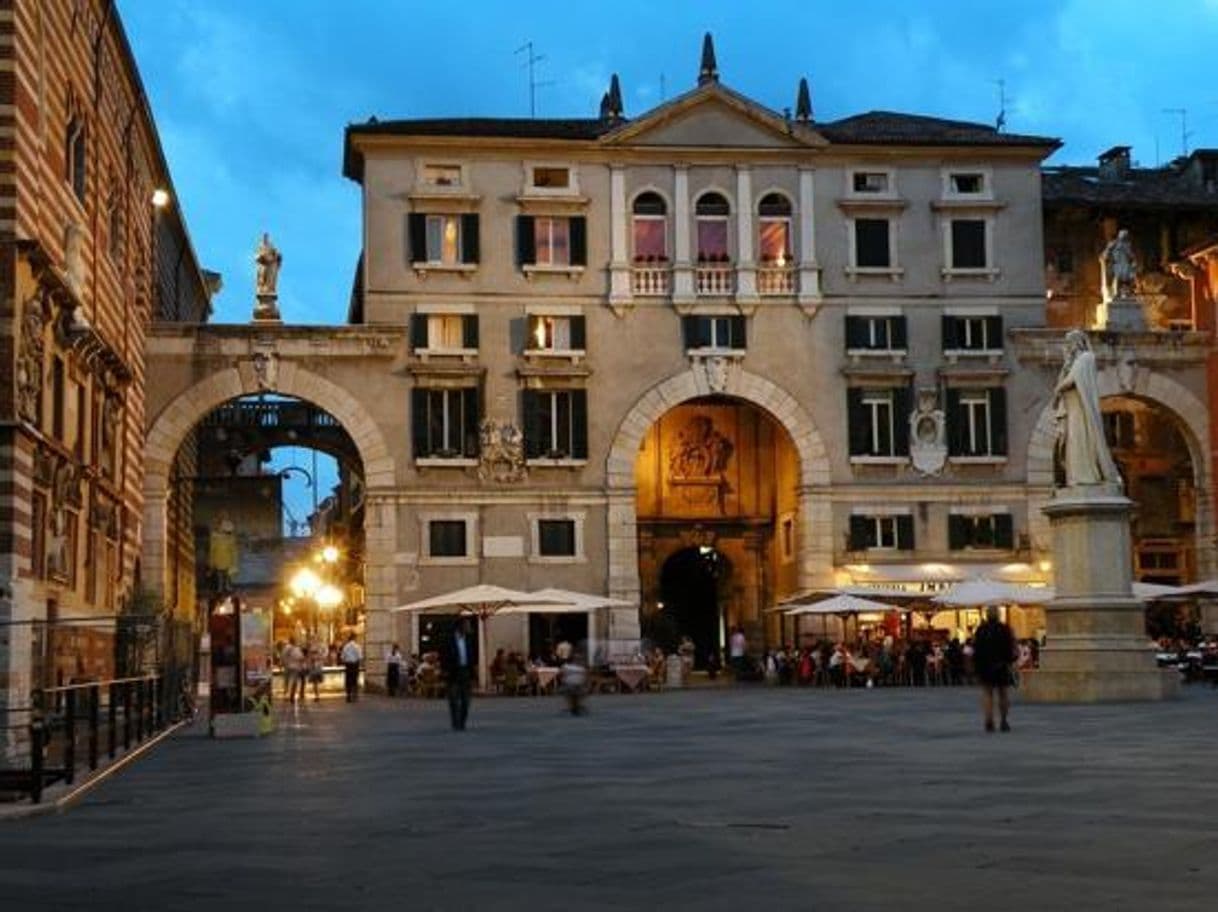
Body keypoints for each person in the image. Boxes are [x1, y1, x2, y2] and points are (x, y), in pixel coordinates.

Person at [1053, 330, 1122, 488]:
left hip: (1081, 410)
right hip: (1073, 409)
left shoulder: (1086, 358)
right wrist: (1066, 365)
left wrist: (1058, 389)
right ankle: (1075, 477)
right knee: (1073, 444)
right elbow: (1066, 378)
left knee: (1081, 441)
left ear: (1077, 342)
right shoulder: (1074, 361)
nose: (1067, 347)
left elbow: (1072, 380)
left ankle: (1087, 476)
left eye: (1069, 343)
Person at [973, 606, 1018, 732]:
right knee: (1003, 693)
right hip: (1001, 665)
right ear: (998, 615)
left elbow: (976, 649)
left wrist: (976, 667)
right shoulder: (1005, 629)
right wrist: (1009, 661)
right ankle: (1003, 720)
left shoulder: (981, 630)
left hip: (985, 666)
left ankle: (989, 719)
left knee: (987, 693)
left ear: (987, 615)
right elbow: (1010, 648)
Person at [440, 618, 474, 730]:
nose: (469, 627)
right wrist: (444, 670)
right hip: (452, 672)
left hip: (465, 671)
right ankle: (456, 722)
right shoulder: (449, 639)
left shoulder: (469, 639)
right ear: (460, 627)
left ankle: (462, 721)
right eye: (467, 625)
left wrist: (472, 672)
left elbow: (471, 656)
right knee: (453, 699)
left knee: (466, 700)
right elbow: (443, 655)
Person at [340, 633, 362, 703]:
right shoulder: (357, 646)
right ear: (355, 638)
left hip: (348, 665)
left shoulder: (346, 646)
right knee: (355, 680)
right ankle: (354, 695)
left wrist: (345, 661)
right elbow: (360, 657)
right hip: (355, 664)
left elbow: (342, 657)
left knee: (348, 680)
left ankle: (348, 696)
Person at [282, 638, 305, 704]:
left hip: (288, 667)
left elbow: (282, 656)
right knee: (294, 681)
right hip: (295, 667)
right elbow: (301, 657)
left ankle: (286, 694)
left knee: (287, 681)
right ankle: (291, 695)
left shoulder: (286, 648)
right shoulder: (296, 649)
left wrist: (284, 664)